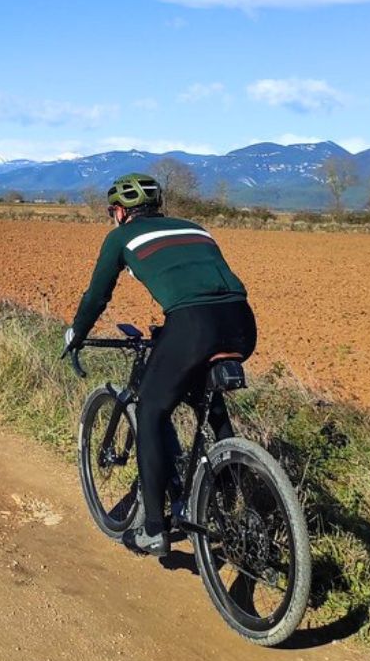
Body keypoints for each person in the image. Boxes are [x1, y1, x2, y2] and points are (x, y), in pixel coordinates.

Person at [64, 172, 256, 556]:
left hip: (192, 326)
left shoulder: (121, 237)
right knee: (206, 397)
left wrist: (77, 334)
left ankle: (153, 528)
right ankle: (234, 494)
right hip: (241, 323)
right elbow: (198, 283)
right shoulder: (195, 227)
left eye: (112, 212)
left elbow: (97, 295)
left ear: (120, 211)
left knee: (150, 410)